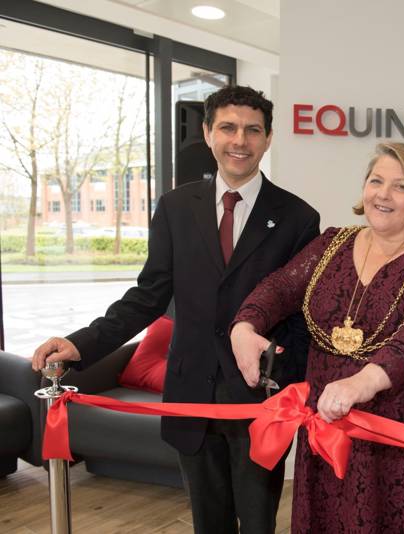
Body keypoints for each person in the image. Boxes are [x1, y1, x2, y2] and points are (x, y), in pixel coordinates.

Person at [31, 85, 320, 534]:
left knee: (259, 523)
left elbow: (303, 317)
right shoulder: (174, 208)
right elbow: (148, 297)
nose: (239, 140)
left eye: (252, 130)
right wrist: (79, 343)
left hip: (258, 400)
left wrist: (286, 380)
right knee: (208, 524)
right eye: (227, 127)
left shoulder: (299, 218)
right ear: (207, 134)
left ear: (267, 138)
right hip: (190, 396)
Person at [230, 142, 404, 533]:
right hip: (330, 429)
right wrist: (245, 325)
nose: (383, 193)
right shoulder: (331, 243)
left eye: (401, 186)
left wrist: (365, 381)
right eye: (376, 180)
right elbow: (280, 287)